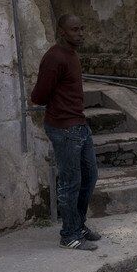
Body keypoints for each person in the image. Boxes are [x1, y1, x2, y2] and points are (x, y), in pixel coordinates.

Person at [30, 14, 100, 251]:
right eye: (74, 29)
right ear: (61, 31)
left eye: (82, 28)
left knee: (89, 176)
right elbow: (38, 96)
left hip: (79, 125)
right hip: (64, 127)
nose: (80, 33)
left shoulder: (72, 55)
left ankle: (78, 225)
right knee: (70, 183)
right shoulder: (54, 58)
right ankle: (68, 235)